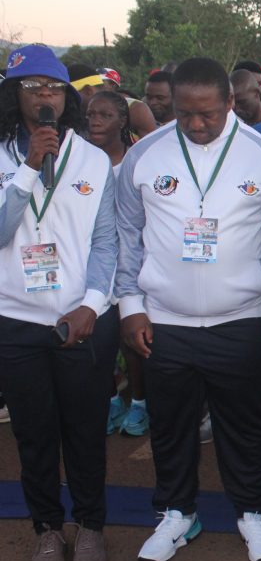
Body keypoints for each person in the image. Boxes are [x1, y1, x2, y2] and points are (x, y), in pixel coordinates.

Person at [115, 57, 261, 561]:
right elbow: (126, 235)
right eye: (184, 113)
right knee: (170, 425)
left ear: (230, 102)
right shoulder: (144, 156)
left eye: (208, 114)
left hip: (242, 317)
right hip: (164, 319)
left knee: (244, 424)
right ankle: (177, 512)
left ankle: (252, 512)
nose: (195, 124)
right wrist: (130, 306)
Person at [0, 44, 118, 561]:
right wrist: (28, 168)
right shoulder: (8, 156)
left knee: (86, 430)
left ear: (67, 97)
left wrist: (91, 305)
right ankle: (47, 528)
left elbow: (107, 243)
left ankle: (90, 524)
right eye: (33, 87)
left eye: (53, 87)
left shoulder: (93, 159)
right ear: (14, 94)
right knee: (34, 434)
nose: (45, 95)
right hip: (15, 320)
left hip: (81, 320)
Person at [86, 90, 151, 437]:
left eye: (105, 115)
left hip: (131, 262)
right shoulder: (80, 161)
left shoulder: (136, 160)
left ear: (122, 120)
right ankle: (111, 397)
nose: (95, 122)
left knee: (132, 340)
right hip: (94, 263)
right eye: (91, 115)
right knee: (98, 340)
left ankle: (140, 402)